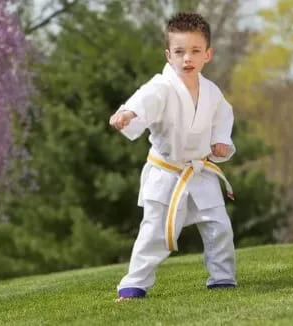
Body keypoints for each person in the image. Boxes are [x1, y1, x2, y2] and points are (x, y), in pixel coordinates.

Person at [109, 12, 237, 302]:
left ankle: (223, 278)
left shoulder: (212, 93)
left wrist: (220, 143)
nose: (187, 59)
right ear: (169, 55)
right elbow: (145, 100)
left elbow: (222, 119)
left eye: (194, 51)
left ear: (208, 54)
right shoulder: (161, 87)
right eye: (179, 52)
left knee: (219, 227)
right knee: (154, 232)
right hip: (166, 173)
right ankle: (134, 285)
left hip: (200, 171)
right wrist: (128, 113)